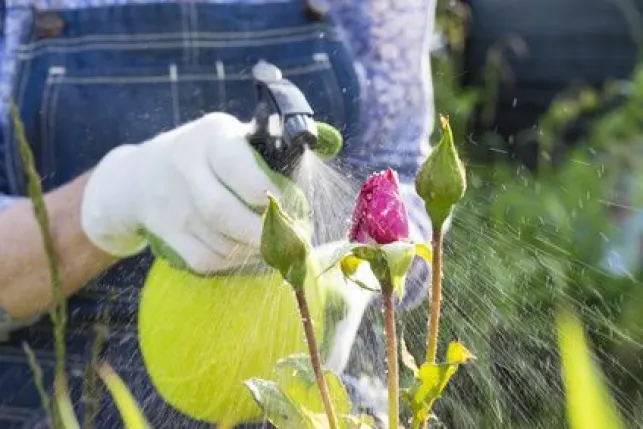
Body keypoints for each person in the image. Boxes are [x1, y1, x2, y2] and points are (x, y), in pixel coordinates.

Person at [0, 0, 436, 427]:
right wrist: (105, 202)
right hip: (56, 402)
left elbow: (405, 183)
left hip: (311, 404)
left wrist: (360, 278)